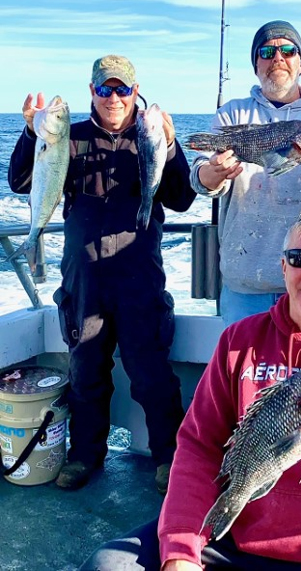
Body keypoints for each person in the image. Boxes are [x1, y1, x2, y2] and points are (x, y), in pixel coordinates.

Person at [79, 207, 301, 570]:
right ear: (284, 268)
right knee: (108, 565)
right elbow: (199, 448)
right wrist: (181, 552)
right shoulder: (240, 340)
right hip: (235, 536)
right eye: (300, 258)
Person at [7, 55, 195, 493]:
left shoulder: (150, 134)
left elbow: (183, 198)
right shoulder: (68, 137)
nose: (114, 98)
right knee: (86, 371)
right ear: (92, 91)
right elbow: (20, 182)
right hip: (84, 278)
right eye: (105, 89)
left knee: (150, 373)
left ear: (135, 92)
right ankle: (85, 455)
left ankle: (170, 458)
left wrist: (170, 146)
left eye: (122, 89)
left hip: (139, 276)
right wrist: (32, 132)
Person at [192, 20, 301, 327]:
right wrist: (214, 172)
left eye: (288, 50)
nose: (278, 58)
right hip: (246, 283)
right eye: (267, 52)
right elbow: (200, 179)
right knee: (243, 359)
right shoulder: (232, 114)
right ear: (256, 64)